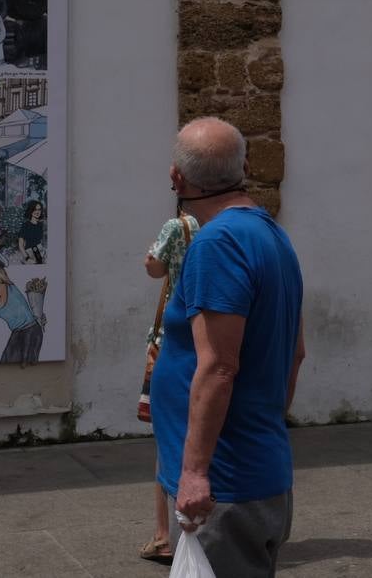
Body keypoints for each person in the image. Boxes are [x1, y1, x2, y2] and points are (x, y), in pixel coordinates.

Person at [151, 117, 305, 576]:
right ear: (245, 167)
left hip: (224, 487)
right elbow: (296, 353)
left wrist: (195, 473)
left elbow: (217, 366)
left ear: (177, 178)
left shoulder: (217, 244)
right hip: (255, 468)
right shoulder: (272, 235)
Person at [138, 210, 201, 565]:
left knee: (167, 438)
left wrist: (152, 253)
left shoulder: (178, 226)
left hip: (173, 344)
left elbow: (153, 267)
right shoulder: (221, 228)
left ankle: (165, 534)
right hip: (208, 337)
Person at [15, 200, 46, 264]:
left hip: (40, 251)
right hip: (29, 253)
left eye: (39, 209)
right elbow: (20, 245)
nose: (37, 212)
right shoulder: (25, 225)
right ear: (31, 210)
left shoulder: (40, 225)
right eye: (35, 209)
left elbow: (41, 241)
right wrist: (27, 258)